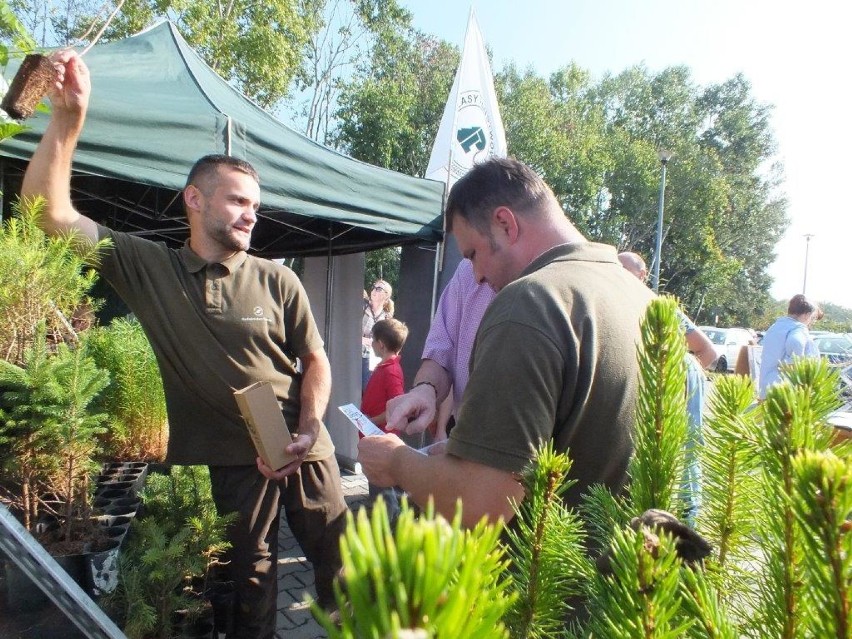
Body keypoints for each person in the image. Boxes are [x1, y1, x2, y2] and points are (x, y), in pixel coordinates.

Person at [22, 50, 347, 639]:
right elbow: (46, 214)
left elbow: (316, 359)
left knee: (347, 573)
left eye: (256, 204)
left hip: (307, 450)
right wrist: (67, 123)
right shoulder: (150, 270)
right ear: (193, 200)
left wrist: (309, 424)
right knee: (250, 591)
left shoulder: (279, 277)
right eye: (237, 201)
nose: (252, 215)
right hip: (229, 462)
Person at [359, 158, 654, 527]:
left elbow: (482, 503)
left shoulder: (529, 302)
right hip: (615, 571)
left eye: (473, 255)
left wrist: (396, 462)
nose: (477, 276)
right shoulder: (641, 297)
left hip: (534, 575)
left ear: (505, 223)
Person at [617, 251, 715, 519]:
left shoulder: (657, 307)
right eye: (617, 269)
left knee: (684, 461)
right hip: (642, 404)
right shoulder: (617, 305)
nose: (621, 275)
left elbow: (707, 351)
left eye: (627, 270)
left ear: (642, 274)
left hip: (672, 400)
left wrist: (673, 381)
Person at [387, 258, 495, 441]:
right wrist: (424, 390)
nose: (477, 276)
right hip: (463, 435)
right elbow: (441, 355)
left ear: (509, 229)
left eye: (474, 253)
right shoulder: (467, 271)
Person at [360, 318, 408, 509]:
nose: (370, 343)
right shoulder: (384, 367)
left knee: (382, 486)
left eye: (372, 340)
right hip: (374, 435)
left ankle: (389, 524)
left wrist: (372, 420)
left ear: (380, 345)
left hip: (381, 437)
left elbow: (397, 406)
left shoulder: (392, 371)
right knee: (378, 481)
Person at [758, 293, 820, 399]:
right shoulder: (797, 328)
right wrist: (795, 362)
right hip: (785, 391)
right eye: (812, 317)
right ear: (806, 314)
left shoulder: (775, 327)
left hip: (767, 385)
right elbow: (796, 341)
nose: (810, 321)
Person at [362, 279, 394, 392]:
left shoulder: (387, 318)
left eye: (379, 288)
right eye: (374, 287)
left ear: (386, 296)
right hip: (352, 355)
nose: (374, 290)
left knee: (367, 390)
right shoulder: (361, 307)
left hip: (371, 359)